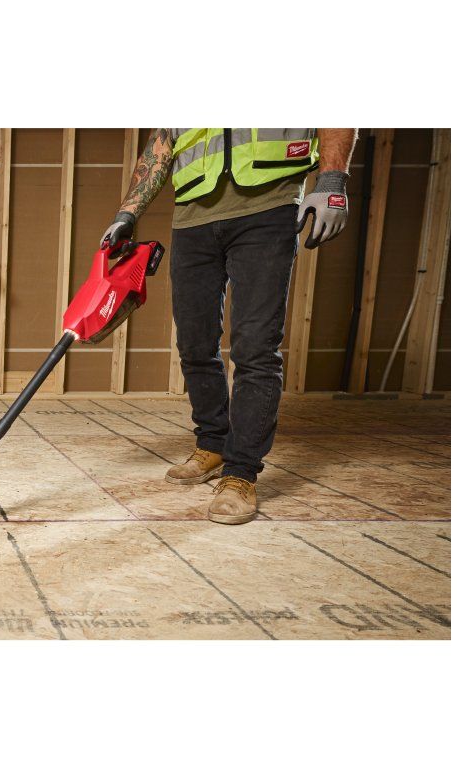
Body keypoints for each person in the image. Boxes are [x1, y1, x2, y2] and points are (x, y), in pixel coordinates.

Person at [100, 128, 357, 525]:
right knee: (194, 344)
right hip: (192, 217)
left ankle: (241, 472)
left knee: (255, 348)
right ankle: (213, 443)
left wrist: (332, 181)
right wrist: (127, 213)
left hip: (267, 207)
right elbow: (163, 141)